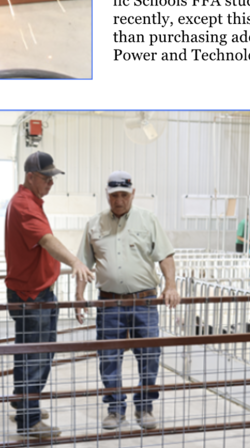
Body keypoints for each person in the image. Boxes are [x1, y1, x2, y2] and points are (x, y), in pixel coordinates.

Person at [76, 171, 180, 430]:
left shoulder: (148, 219)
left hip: (144, 302)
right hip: (109, 303)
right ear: (107, 195)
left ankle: (144, 406)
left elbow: (165, 255)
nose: (119, 200)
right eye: (114, 196)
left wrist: (171, 285)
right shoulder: (94, 224)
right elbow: (83, 263)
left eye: (124, 195)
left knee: (149, 355)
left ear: (133, 194)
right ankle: (115, 409)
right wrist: (79, 295)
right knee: (109, 357)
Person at [4, 152, 94, 440]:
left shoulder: (28, 202)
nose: (51, 183)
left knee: (29, 354)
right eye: (46, 178)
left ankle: (23, 404)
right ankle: (29, 420)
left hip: (32, 293)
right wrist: (75, 262)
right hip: (33, 296)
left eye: (53, 178)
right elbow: (46, 240)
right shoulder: (24, 204)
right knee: (37, 356)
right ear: (30, 176)